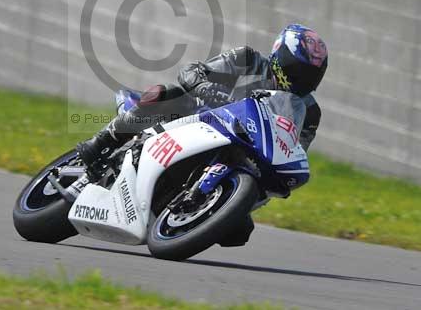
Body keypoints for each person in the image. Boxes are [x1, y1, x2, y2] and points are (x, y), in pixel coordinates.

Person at [76, 24, 327, 246]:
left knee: (238, 233)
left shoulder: (310, 112)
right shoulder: (247, 60)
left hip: (245, 154)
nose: (303, 79)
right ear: (280, 57)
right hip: (200, 118)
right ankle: (101, 142)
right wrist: (205, 86)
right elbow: (193, 71)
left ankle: (195, 208)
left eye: (312, 75)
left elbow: (294, 148)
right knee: (166, 94)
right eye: (298, 70)